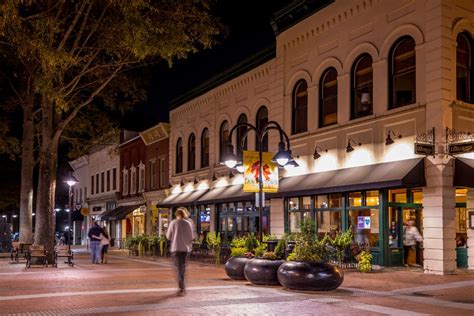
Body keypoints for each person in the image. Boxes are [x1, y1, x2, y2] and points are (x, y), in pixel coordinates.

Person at [166, 207, 194, 297]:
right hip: (185, 249)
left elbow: (168, 236)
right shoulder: (188, 223)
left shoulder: (173, 223)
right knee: (182, 268)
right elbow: (191, 237)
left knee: (178, 269)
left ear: (176, 214)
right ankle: (182, 286)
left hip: (176, 248)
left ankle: (181, 288)